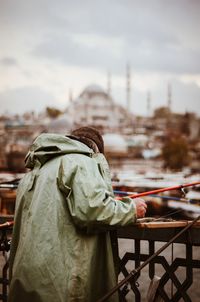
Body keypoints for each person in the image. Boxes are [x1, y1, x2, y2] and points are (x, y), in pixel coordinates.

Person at [8, 126, 147, 302]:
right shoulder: (82, 161)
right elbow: (93, 211)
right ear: (96, 151)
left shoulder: (34, 173)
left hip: (25, 279)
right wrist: (131, 209)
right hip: (59, 284)